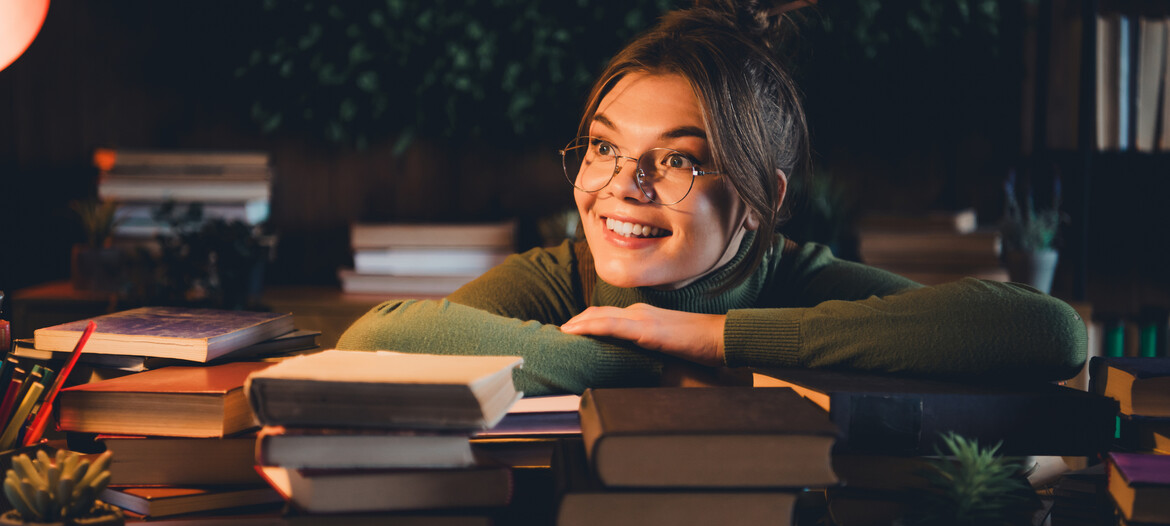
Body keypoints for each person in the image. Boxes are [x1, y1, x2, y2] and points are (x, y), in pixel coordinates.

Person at [338, 0, 1086, 396]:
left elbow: (1049, 334)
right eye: (603, 147)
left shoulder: (800, 280)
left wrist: (716, 341)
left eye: (677, 160)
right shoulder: (557, 279)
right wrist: (640, 363)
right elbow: (375, 341)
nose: (619, 188)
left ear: (762, 199)